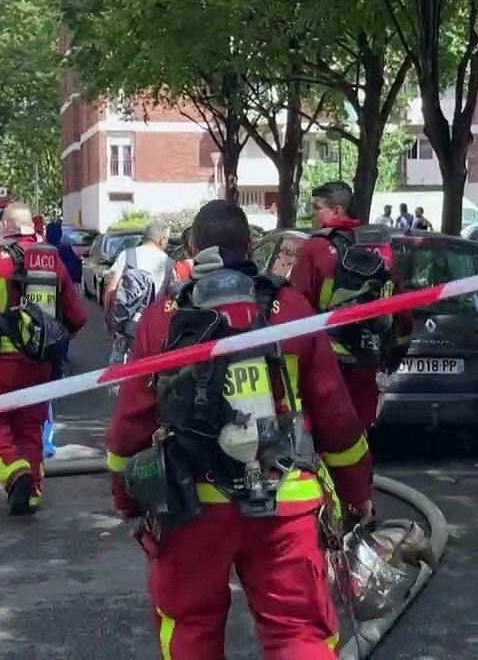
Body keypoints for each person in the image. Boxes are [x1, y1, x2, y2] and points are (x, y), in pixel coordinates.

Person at [106, 199, 374, 659]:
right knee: (299, 633)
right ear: (251, 246)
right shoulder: (291, 307)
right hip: (284, 502)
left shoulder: (163, 317)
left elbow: (131, 424)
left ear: (191, 249)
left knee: (190, 627)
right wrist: (356, 493)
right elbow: (337, 419)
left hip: (191, 505)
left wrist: (129, 498)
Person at [0, 202, 87, 515]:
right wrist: (52, 343)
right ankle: (32, 492)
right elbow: (77, 317)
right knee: (31, 425)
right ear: (31, 227)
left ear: (5, 227)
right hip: (40, 363)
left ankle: (14, 471)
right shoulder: (50, 261)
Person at [292, 181, 407, 433]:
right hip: (366, 365)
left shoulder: (314, 250)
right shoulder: (377, 250)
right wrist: (389, 361)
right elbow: (402, 313)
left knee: (324, 442)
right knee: (358, 443)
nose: (313, 214)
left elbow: (295, 313)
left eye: (317, 207)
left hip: (325, 367)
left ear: (337, 211)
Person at [103, 221, 173, 368]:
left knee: (118, 366)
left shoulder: (127, 255)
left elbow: (111, 290)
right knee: (145, 368)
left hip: (123, 322)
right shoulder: (168, 263)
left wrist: (108, 317)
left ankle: (117, 389)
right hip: (150, 327)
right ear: (161, 239)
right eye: (167, 239)